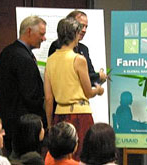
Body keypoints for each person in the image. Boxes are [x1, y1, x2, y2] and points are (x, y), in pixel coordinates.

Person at [44, 18, 104, 160]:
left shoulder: (50, 60)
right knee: (82, 157)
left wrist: (49, 124)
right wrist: (98, 90)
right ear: (76, 34)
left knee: (60, 157)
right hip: (80, 114)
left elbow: (48, 98)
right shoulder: (78, 59)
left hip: (59, 115)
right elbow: (88, 92)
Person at [0, 15, 47, 153]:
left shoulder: (7, 52)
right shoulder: (24, 59)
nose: (44, 38)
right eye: (41, 34)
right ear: (28, 31)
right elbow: (32, 97)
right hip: (24, 130)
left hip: (5, 126)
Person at [48, 10, 107, 86]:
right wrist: (98, 76)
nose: (84, 30)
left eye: (86, 27)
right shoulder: (58, 46)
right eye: (81, 26)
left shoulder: (84, 49)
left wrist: (99, 77)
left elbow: (89, 74)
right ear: (70, 25)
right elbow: (71, 77)